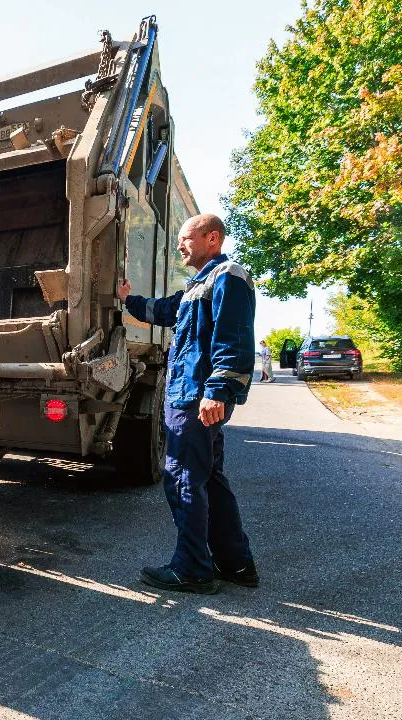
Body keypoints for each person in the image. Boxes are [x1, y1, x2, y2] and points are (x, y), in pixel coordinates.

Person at [116, 213, 258, 595]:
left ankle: (193, 568)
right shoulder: (200, 286)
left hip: (196, 398)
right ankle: (235, 563)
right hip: (194, 397)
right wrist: (128, 300)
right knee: (210, 479)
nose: (180, 245)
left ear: (212, 238)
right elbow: (164, 311)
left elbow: (235, 339)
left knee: (183, 479)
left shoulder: (228, 276)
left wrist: (218, 390)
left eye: (185, 238)